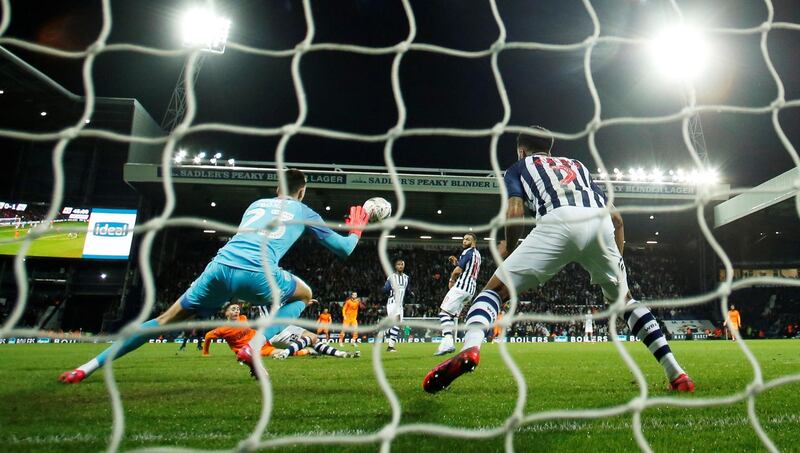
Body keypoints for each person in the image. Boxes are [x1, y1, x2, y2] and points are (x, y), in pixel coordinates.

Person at [423, 126, 694, 393]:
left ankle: (471, 347)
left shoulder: (519, 167)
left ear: (521, 150)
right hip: (599, 225)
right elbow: (617, 218)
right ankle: (677, 373)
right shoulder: (577, 166)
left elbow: (515, 211)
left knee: (495, 291)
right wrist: (616, 265)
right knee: (625, 302)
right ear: (550, 148)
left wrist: (509, 248)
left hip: (558, 220)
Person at [60, 169, 369, 383]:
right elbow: (343, 250)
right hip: (258, 274)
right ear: (301, 193)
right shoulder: (304, 211)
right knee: (303, 293)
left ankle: (86, 367)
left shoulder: (256, 204)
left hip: (219, 268)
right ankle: (254, 346)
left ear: (277, 190)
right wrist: (356, 229)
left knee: (164, 321)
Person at [435, 233, 482, 356]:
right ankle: (446, 343)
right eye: (464, 239)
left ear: (474, 241)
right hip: (470, 289)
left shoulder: (467, 252)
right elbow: (466, 268)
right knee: (450, 316)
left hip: (461, 287)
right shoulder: (477, 254)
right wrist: (457, 262)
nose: (464, 241)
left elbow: (458, 271)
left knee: (443, 312)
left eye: (468, 239)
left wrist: (451, 280)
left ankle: (449, 342)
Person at [384, 258, 410, 352]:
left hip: (400, 305)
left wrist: (411, 293)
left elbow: (407, 290)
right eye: (398, 264)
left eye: (402, 264)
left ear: (404, 266)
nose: (400, 266)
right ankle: (390, 347)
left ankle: (388, 337)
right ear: (395, 266)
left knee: (397, 325)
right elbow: (385, 289)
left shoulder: (406, 278)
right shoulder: (391, 277)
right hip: (392, 303)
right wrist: (390, 288)